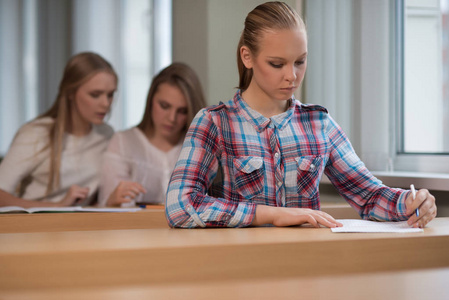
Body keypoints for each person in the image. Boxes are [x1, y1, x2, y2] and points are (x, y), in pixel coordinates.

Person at [165, 1, 437, 228]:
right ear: (247, 57)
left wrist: (411, 202)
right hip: (240, 267)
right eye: (276, 63)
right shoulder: (214, 122)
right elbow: (180, 205)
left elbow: (369, 195)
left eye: (300, 61)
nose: (291, 75)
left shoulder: (319, 124)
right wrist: (269, 214)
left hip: (310, 266)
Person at [0, 52, 117, 207]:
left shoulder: (106, 134)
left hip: (81, 226)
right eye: (95, 95)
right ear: (70, 93)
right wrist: (58, 207)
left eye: (110, 95)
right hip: (35, 226)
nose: (106, 103)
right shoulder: (37, 133)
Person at [98, 62, 206, 207]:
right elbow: (106, 208)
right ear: (150, 101)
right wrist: (112, 201)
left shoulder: (199, 148)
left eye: (182, 111)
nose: (172, 118)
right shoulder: (123, 143)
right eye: (164, 106)